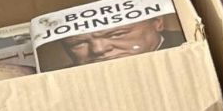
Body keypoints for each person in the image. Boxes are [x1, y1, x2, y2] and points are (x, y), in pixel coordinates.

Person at [41, 15, 186, 70]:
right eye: (77, 43)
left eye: (117, 34)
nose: (98, 49)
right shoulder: (62, 79)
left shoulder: (194, 48)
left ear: (157, 22)